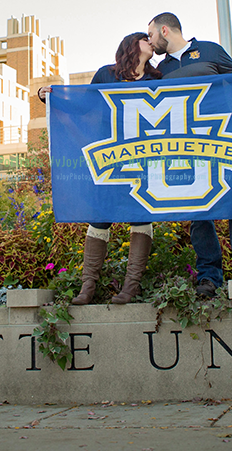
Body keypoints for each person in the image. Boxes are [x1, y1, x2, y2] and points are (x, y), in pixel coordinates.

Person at [146, 11, 232, 298]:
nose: (150, 43)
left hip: (221, 138)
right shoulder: (159, 70)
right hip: (183, 146)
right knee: (198, 208)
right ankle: (209, 274)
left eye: (151, 35)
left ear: (165, 30)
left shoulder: (211, 50)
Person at [67, 32, 161, 305]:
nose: (151, 42)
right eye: (146, 38)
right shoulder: (106, 75)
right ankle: (88, 288)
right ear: (132, 45)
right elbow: (84, 107)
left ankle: (130, 288)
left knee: (141, 216)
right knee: (100, 217)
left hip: (145, 160)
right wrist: (50, 96)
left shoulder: (158, 78)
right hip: (110, 156)